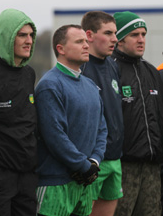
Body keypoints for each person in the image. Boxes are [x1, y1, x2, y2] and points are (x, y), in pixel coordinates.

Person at [35, 24, 107, 216]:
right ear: (61, 49)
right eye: (79, 41)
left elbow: (102, 128)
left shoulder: (90, 85)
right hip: (55, 183)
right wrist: (83, 166)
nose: (86, 45)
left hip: (85, 182)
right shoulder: (50, 85)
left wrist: (94, 162)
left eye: (86, 41)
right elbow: (54, 135)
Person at [0, 8, 38, 216]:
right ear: (7, 37)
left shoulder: (29, 73)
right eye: (21, 35)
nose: (29, 41)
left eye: (31, 35)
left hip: (27, 176)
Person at [111, 11, 163, 216]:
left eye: (143, 34)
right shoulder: (110, 70)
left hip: (151, 169)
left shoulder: (151, 71)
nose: (141, 40)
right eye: (135, 35)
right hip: (123, 169)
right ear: (120, 39)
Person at [80, 11, 124, 216]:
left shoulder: (113, 66)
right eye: (108, 33)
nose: (115, 39)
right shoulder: (80, 68)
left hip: (115, 158)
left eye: (115, 33)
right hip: (93, 162)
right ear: (89, 35)